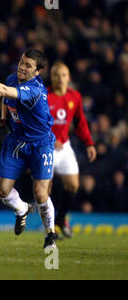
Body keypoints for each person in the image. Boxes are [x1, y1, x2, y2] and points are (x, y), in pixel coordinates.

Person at [0, 49, 58, 249]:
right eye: (22, 62)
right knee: (2, 190)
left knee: (40, 194)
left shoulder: (35, 90)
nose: (22, 67)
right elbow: (6, 100)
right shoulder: (12, 78)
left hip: (40, 144)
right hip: (16, 141)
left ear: (38, 72)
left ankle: (50, 234)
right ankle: (22, 209)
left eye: (28, 66)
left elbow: (4, 91)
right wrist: (4, 118)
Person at [47, 62, 96, 238]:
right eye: (56, 75)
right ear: (51, 77)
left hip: (65, 146)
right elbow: (36, 123)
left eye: (63, 75)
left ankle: (60, 219)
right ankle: (50, 227)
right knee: (45, 188)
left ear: (69, 77)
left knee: (73, 185)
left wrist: (89, 143)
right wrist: (49, 139)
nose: (60, 79)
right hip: (46, 147)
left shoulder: (75, 97)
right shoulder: (45, 96)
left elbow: (81, 122)